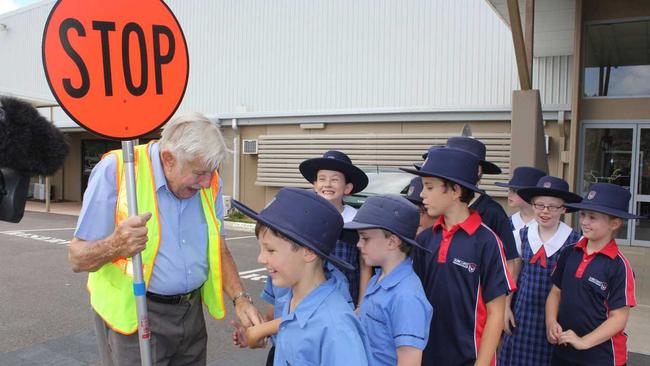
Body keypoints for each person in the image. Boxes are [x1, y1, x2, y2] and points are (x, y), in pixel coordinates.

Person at [68, 113, 262, 365]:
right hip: (136, 315)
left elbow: (218, 248)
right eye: (199, 173)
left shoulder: (209, 182)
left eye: (211, 172)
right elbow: (77, 258)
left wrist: (241, 299)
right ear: (168, 159)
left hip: (190, 314)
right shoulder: (117, 171)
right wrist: (116, 244)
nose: (206, 183)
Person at [402, 146, 516, 366]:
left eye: (429, 187)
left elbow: (496, 312)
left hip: (470, 358)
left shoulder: (487, 241)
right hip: (427, 354)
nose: (422, 194)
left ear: (455, 191)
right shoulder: (426, 239)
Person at [232, 188, 371, 365]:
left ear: (308, 252)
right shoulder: (291, 296)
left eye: (271, 250)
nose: (260, 258)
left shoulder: (337, 327)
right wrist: (259, 335)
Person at [546, 183, 640, 366]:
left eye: (592, 217)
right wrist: (550, 322)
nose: (584, 222)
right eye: (582, 215)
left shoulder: (619, 266)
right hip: (564, 351)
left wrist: (584, 341)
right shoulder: (569, 253)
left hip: (602, 358)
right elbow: (555, 292)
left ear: (615, 223)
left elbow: (619, 318)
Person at [498, 176, 582, 366]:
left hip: (555, 319)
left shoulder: (574, 241)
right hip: (522, 314)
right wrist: (506, 307)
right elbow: (514, 271)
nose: (545, 211)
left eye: (552, 206)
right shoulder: (522, 234)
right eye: (539, 205)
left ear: (563, 209)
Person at [345, 194, 433, 366]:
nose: (358, 244)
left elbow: (409, 361)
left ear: (392, 242)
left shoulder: (406, 297)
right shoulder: (378, 278)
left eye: (366, 238)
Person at [299, 149, 371, 305]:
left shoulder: (357, 220)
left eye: (335, 180)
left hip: (345, 299)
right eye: (322, 179)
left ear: (347, 188)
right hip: (308, 298)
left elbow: (365, 264)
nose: (327, 184)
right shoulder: (305, 217)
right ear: (315, 185)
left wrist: (361, 303)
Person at [446, 137, 520, 274]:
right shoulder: (437, 208)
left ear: (478, 170)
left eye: (460, 164)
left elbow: (509, 263)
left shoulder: (493, 213)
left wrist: (504, 296)